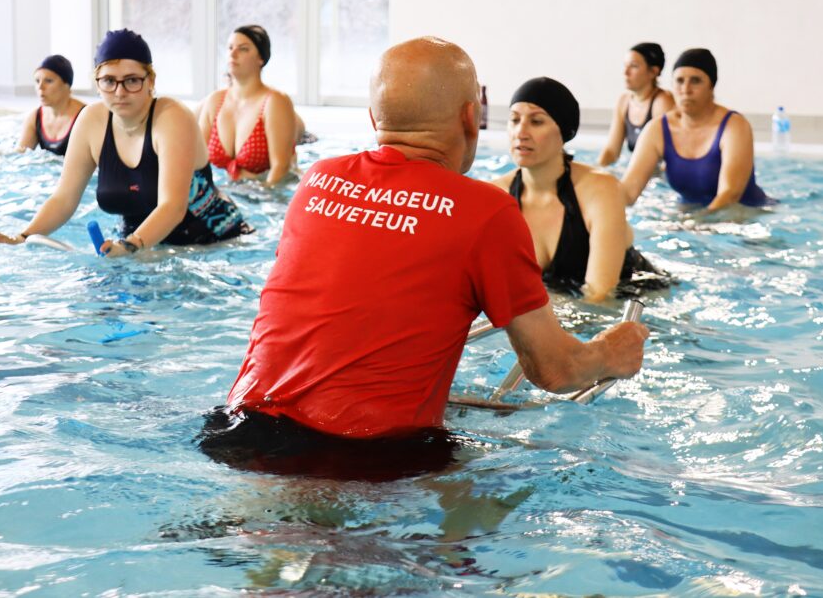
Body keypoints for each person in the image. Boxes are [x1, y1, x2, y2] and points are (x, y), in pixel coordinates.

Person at [200, 37, 649, 474]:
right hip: (362, 457)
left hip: (235, 431)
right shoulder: (487, 209)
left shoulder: (317, 180)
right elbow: (555, 370)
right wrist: (609, 352)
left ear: (373, 118)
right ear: (471, 117)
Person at [0, 29, 251, 253]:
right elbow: (64, 199)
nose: (120, 92)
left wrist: (130, 246)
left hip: (214, 245)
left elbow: (173, 206)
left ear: (151, 81)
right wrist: (22, 237)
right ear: (97, 83)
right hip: (140, 242)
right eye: (109, 81)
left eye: (132, 80)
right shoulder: (91, 121)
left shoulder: (171, 117)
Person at [492, 77, 667, 302]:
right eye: (514, 120)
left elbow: (600, 296)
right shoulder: (496, 196)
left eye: (536, 122)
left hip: (637, 301)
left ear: (564, 131)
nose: (520, 132)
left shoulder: (601, 190)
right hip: (559, 305)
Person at [620, 48, 770, 210]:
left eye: (696, 81)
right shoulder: (657, 129)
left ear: (711, 86)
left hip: (745, 214)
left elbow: (730, 194)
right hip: (691, 213)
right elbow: (628, 192)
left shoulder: (734, 126)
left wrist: (697, 221)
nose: (686, 89)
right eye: (679, 81)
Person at [197, 25, 307, 184]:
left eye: (243, 49)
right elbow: (196, 162)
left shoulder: (275, 102)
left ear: (261, 58)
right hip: (227, 190)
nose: (233, 54)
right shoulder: (214, 101)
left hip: (263, 191)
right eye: (230, 48)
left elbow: (281, 168)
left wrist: (263, 194)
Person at [597, 43, 674, 166]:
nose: (625, 72)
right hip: (639, 169)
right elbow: (611, 151)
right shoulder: (623, 102)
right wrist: (596, 170)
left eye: (633, 66)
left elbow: (670, 157)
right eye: (625, 66)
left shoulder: (662, 103)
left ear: (653, 71)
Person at [14, 55, 86, 155]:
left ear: (67, 85)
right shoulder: (35, 117)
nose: (40, 87)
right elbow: (19, 155)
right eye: (37, 81)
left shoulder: (85, 117)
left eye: (48, 81)